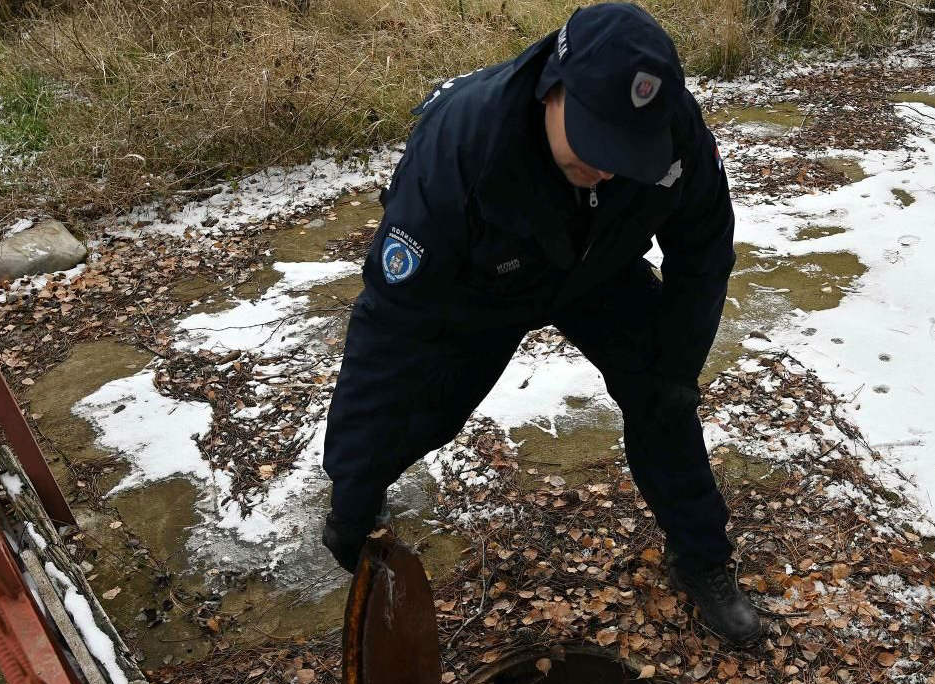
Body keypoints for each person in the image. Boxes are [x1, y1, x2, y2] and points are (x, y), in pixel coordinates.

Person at [321, 3, 763, 646]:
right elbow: (389, 331)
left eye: (626, 151)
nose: (608, 165)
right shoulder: (460, 143)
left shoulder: (676, 133)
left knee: (663, 397)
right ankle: (358, 505)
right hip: (483, 284)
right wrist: (350, 490)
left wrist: (676, 369)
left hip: (598, 268)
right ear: (552, 88)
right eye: (595, 139)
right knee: (424, 409)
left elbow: (704, 253)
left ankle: (702, 559)